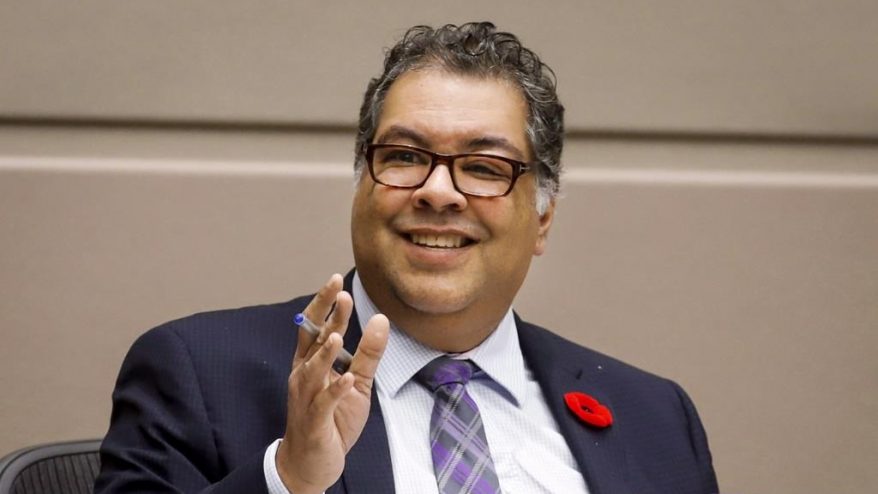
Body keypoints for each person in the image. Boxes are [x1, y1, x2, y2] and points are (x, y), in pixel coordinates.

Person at [95, 22, 719, 494]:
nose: (438, 191)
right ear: (360, 185)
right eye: (404, 157)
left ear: (543, 219)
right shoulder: (199, 373)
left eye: (483, 167)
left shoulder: (654, 415)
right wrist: (288, 480)